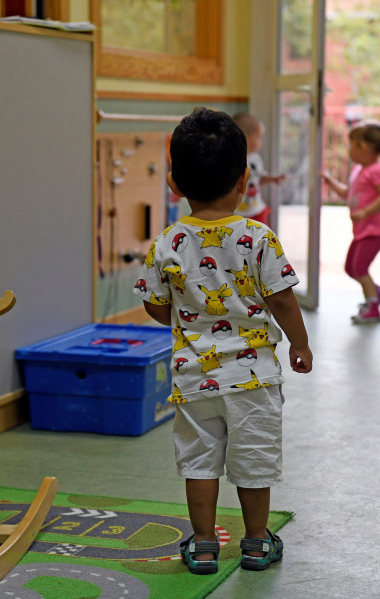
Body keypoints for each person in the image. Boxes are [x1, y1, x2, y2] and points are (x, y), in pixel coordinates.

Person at [134, 107, 313, 575]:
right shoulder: (258, 237)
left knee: (199, 463)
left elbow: (155, 307)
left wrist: (185, 311)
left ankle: (205, 544)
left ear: (174, 184)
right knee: (253, 461)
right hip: (253, 379)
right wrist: (299, 343)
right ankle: (256, 542)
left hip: (195, 379)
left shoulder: (168, 242)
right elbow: (282, 300)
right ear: (244, 179)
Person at [320, 122, 380, 323]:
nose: (349, 150)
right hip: (362, 231)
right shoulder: (360, 170)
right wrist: (331, 182)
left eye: (352, 145)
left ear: (363, 148)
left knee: (360, 268)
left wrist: (365, 212)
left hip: (374, 231)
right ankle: (376, 292)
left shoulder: (376, 171)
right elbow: (349, 193)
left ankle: (372, 307)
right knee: (351, 268)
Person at [231, 112, 287, 226]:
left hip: (257, 210)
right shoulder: (231, 160)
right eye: (258, 137)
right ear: (245, 137)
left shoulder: (255, 159)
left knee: (259, 240)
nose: (261, 141)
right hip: (236, 214)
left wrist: (272, 179)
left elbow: (258, 179)